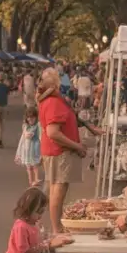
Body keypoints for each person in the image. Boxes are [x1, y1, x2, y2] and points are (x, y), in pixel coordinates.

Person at [37, 68, 86, 234]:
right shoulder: (53, 102)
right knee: (58, 188)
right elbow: (53, 132)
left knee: (55, 188)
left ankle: (57, 226)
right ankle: (57, 228)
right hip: (59, 151)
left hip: (54, 150)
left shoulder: (50, 100)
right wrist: (76, 145)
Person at [14, 107, 42, 187]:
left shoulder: (37, 125)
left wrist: (42, 146)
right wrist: (26, 134)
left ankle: (36, 179)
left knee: (35, 164)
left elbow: (40, 136)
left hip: (34, 147)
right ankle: (31, 181)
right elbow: (24, 135)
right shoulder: (25, 126)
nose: (30, 119)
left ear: (36, 117)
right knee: (28, 166)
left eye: (32, 117)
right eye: (28, 117)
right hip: (26, 148)